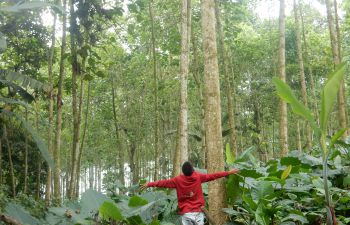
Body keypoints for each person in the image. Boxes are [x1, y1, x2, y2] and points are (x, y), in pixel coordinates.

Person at [140, 161, 240, 225]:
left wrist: (150, 184)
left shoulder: (177, 180)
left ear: (183, 172)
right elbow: (214, 175)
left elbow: (163, 183)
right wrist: (228, 172)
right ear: (192, 170)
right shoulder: (198, 177)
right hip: (198, 212)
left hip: (186, 213)